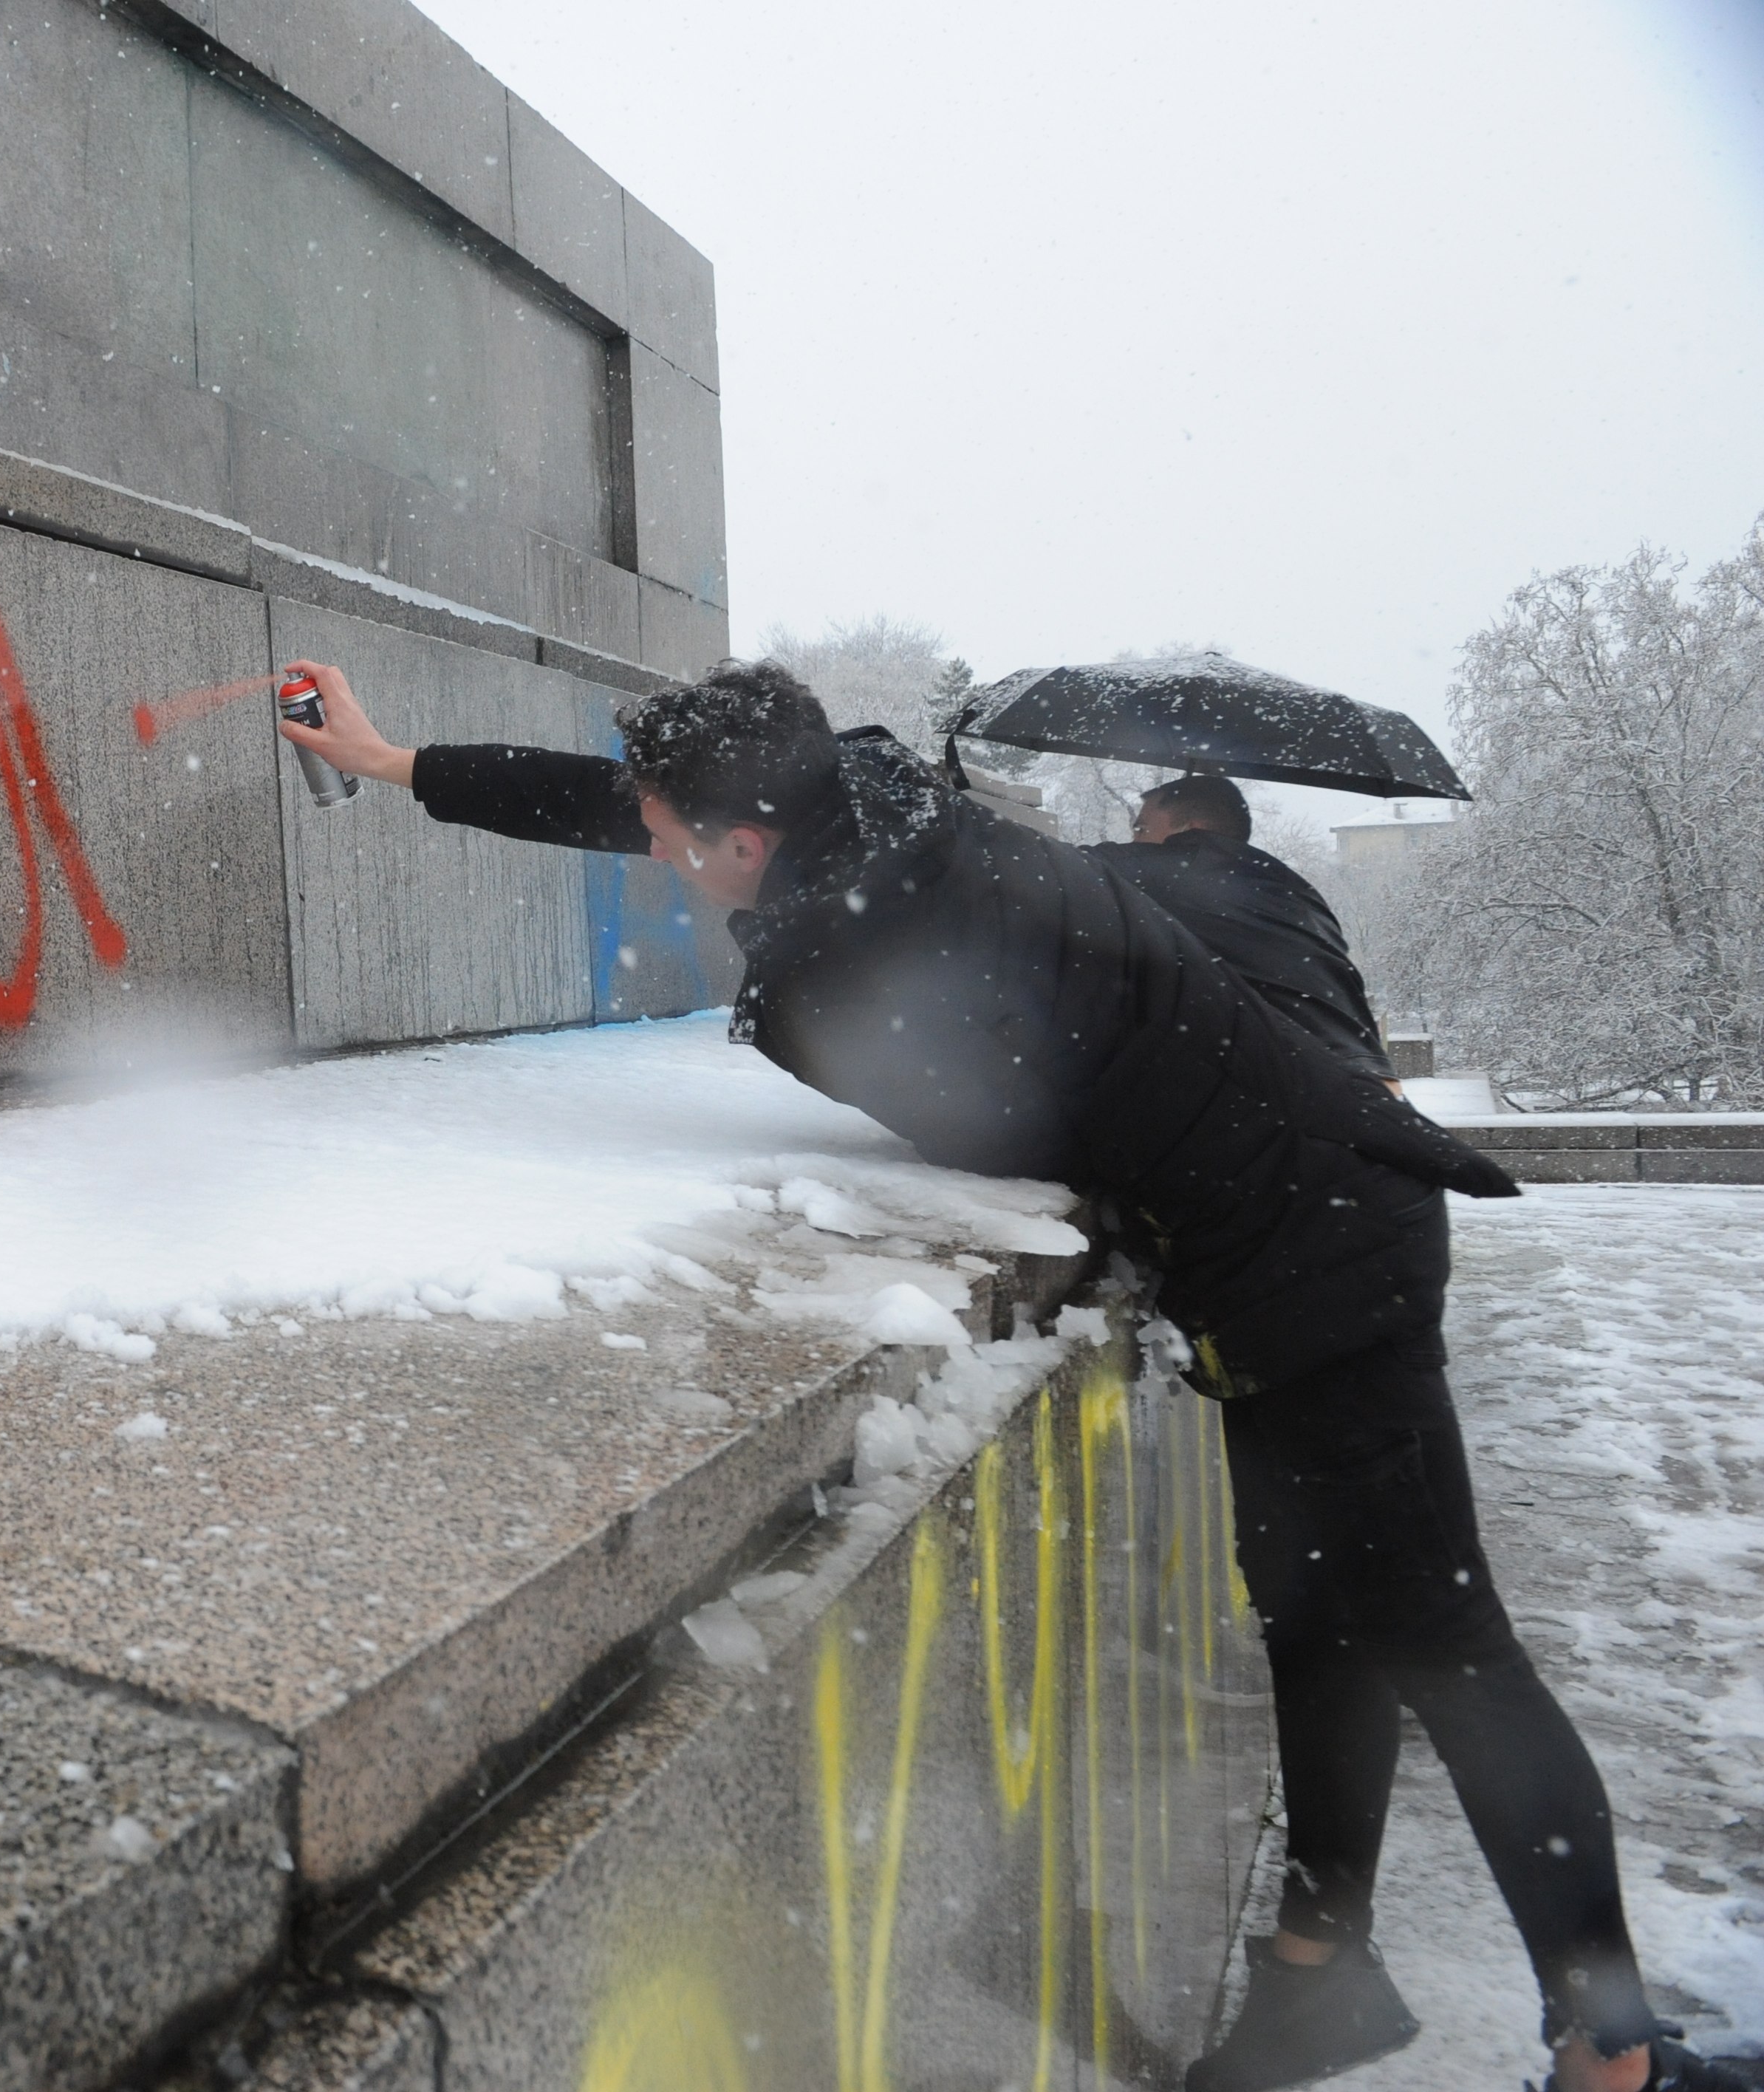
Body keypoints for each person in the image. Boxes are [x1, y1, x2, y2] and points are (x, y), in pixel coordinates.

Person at [276, 656, 1754, 2092]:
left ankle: (1608, 2053)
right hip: (1294, 1218)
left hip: (1321, 1248)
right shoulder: (858, 813)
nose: (652, 851)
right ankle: (1319, 1973)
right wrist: (393, 760)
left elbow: (1004, 1127)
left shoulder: (874, 961)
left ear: (744, 844)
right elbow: (639, 801)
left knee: (1452, 1650)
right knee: (1314, 1605)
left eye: (673, 841)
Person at [1088, 772, 1399, 1087]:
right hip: (1369, 1082)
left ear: (1191, 831)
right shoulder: (1291, 889)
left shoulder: (1184, 864)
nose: (1134, 841)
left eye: (1141, 829)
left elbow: (1057, 865)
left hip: (1304, 1083)